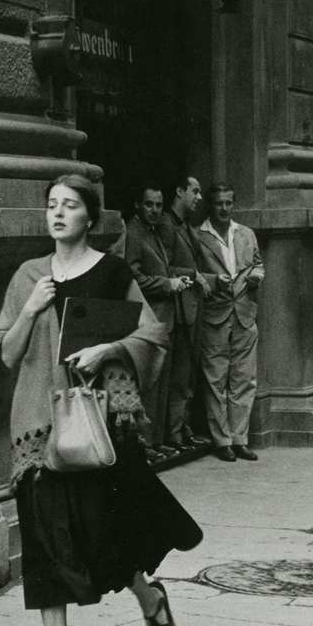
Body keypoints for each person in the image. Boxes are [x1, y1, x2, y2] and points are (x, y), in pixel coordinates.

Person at [0, 174, 201, 626]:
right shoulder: (28, 275)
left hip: (99, 421)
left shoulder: (112, 272)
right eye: (52, 205)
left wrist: (107, 350)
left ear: (90, 217)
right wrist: (31, 308)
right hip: (39, 424)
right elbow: (8, 354)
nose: (58, 213)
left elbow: (153, 333)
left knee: (104, 530)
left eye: (70, 205)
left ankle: (148, 596)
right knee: (45, 544)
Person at [193, 183, 264, 461]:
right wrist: (213, 281)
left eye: (228, 203)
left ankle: (239, 439)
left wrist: (257, 276)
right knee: (216, 379)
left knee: (244, 379)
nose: (224, 208)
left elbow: (257, 263)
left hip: (245, 313)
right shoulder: (198, 236)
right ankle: (221, 440)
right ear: (210, 206)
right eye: (218, 203)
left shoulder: (246, 233)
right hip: (214, 314)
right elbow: (192, 273)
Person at [120, 183, 189, 460]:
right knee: (149, 384)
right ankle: (145, 444)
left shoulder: (154, 230)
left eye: (159, 205)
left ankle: (156, 441)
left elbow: (160, 266)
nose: (155, 210)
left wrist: (177, 279)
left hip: (164, 318)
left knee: (162, 382)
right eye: (149, 204)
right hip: (148, 318)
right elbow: (132, 277)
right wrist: (166, 284)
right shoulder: (134, 232)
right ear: (138, 204)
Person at [161, 176, 211, 451]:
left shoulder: (186, 225)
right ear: (179, 191)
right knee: (180, 373)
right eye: (195, 191)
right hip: (179, 309)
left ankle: (184, 427)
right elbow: (165, 267)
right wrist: (194, 275)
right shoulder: (166, 224)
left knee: (188, 372)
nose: (199, 197)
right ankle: (175, 433)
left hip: (192, 307)